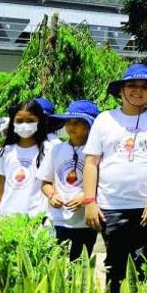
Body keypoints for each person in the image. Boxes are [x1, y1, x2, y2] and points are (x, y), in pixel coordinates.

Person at [83, 63, 147, 293]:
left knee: (146, 263)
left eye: (145, 86)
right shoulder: (104, 120)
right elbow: (91, 163)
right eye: (132, 86)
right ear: (120, 91)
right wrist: (90, 202)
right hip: (111, 206)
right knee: (115, 264)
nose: (138, 91)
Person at [40, 99, 100, 259]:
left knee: (80, 266)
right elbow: (45, 182)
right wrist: (52, 195)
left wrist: (85, 198)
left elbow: (103, 184)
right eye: (69, 121)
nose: (71, 126)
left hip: (85, 221)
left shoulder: (96, 152)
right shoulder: (56, 150)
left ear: (90, 127)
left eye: (78, 122)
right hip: (58, 219)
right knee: (56, 264)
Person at [0, 99, 54, 217]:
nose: (24, 125)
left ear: (39, 122)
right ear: (13, 123)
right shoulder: (5, 151)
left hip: (36, 216)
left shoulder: (49, 150)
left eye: (30, 120)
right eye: (19, 121)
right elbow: (1, 185)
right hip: (7, 216)